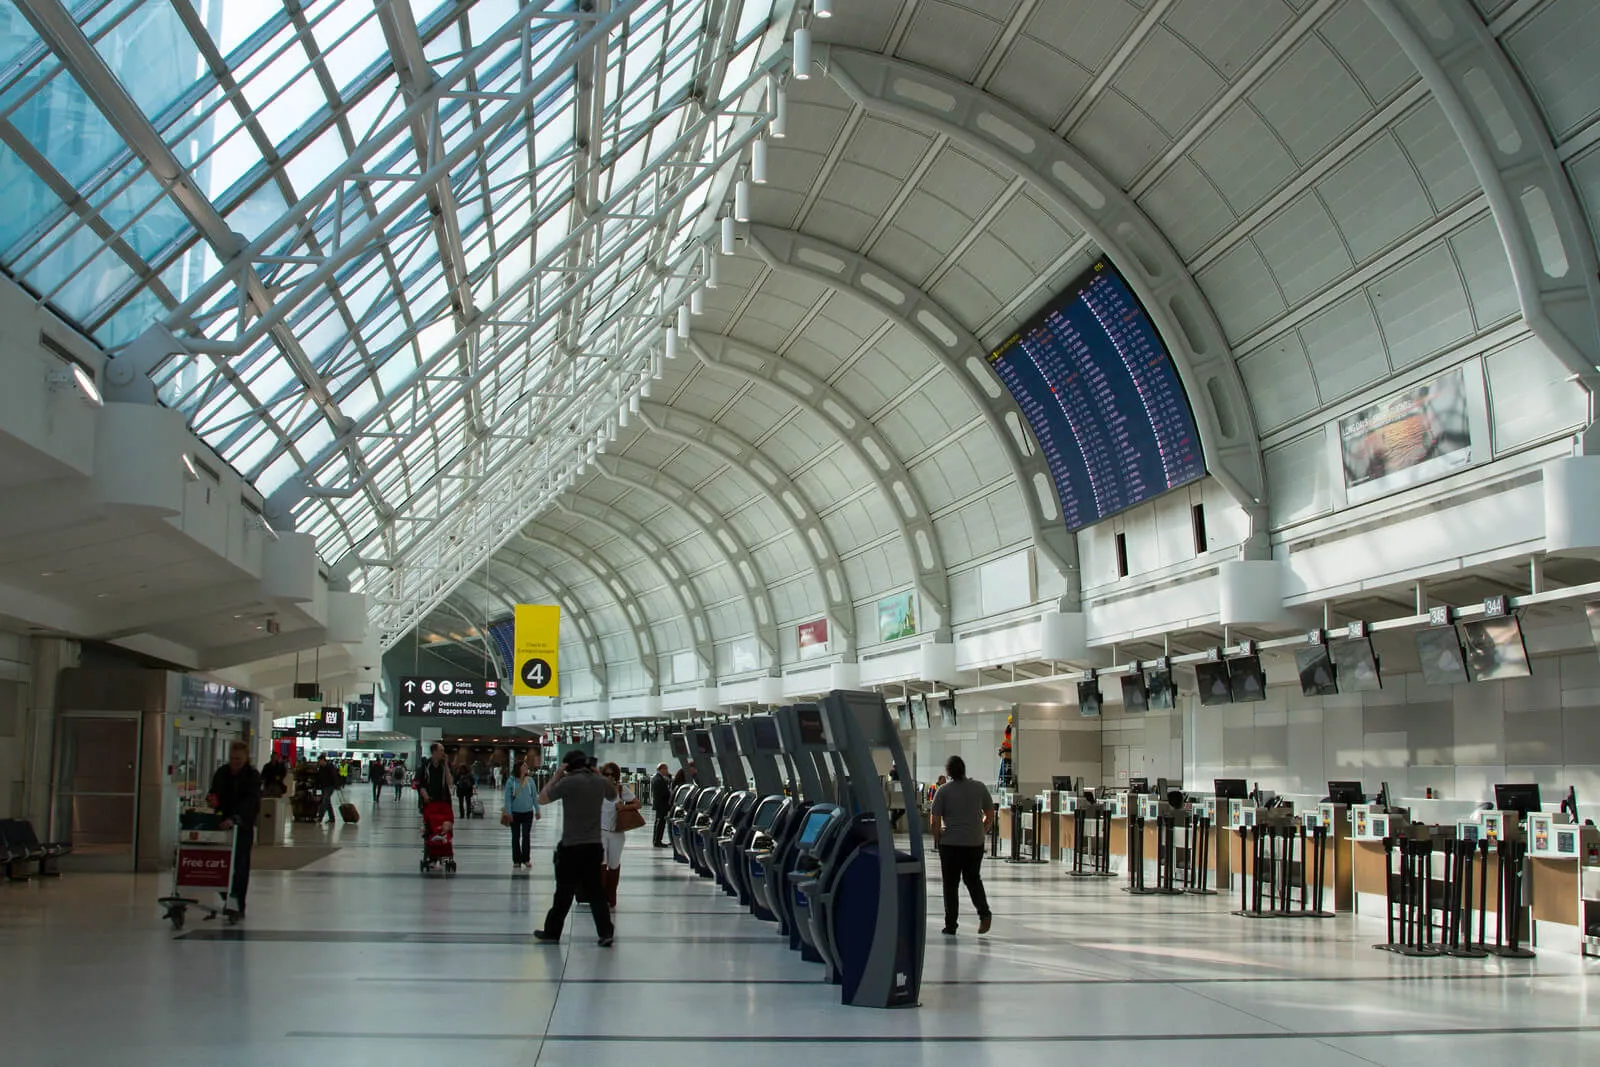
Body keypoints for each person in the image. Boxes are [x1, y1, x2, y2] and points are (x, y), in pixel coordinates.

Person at [534, 750, 617, 947]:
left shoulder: (568, 782)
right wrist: (597, 774)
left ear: (569, 766)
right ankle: (605, 932)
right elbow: (613, 796)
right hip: (594, 846)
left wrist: (556, 776)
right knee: (596, 891)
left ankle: (552, 932)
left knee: (564, 892)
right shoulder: (600, 782)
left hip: (571, 846)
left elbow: (542, 798)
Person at [930, 755, 993, 936]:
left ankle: (951, 925)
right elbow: (990, 813)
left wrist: (938, 838)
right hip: (974, 843)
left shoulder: (943, 791)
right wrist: (982, 830)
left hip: (950, 844)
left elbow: (935, 820)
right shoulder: (979, 788)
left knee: (950, 885)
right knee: (973, 879)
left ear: (948, 772)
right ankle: (984, 914)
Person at [207, 741, 260, 918]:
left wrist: (235, 818)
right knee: (220, 863)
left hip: (242, 827)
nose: (235, 762)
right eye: (232, 758)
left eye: (238, 758)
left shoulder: (252, 776)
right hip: (223, 825)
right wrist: (212, 799)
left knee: (240, 865)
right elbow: (214, 792)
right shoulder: (222, 773)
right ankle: (228, 897)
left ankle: (238, 904)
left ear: (246, 758)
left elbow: (251, 802)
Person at [599, 762, 641, 908]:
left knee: (614, 864)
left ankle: (611, 896)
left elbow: (637, 804)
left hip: (617, 832)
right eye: (606, 774)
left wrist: (623, 807)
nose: (609, 777)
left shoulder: (621, 789)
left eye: (612, 774)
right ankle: (600, 896)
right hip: (600, 831)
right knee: (601, 863)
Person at [504, 760, 541, 870]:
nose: (526, 767)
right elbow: (508, 799)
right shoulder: (511, 781)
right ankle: (516, 860)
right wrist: (509, 812)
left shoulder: (530, 781)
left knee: (526, 836)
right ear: (519, 768)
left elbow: (534, 797)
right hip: (515, 813)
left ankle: (526, 859)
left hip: (528, 813)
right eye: (524, 766)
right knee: (515, 837)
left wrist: (537, 810)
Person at [417, 743, 454, 812]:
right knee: (431, 821)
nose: (443, 753)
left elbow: (450, 782)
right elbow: (420, 783)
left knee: (446, 822)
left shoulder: (445, 765)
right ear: (434, 752)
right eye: (441, 750)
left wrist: (446, 765)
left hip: (443, 799)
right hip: (430, 799)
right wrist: (425, 795)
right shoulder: (426, 765)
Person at [650, 762, 673, 847]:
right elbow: (664, 793)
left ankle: (656, 840)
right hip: (661, 805)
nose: (667, 771)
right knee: (660, 823)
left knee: (658, 823)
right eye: (666, 769)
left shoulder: (656, 778)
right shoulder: (659, 779)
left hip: (659, 804)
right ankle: (657, 841)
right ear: (662, 769)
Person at [315, 754, 341, 825]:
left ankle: (320, 818)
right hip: (324, 786)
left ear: (323, 760)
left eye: (320, 761)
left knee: (325, 800)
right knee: (327, 803)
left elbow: (334, 776)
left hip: (330, 786)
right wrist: (317, 786)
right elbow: (319, 777)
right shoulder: (321, 768)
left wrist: (337, 785)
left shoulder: (330, 767)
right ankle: (332, 818)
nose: (319, 762)